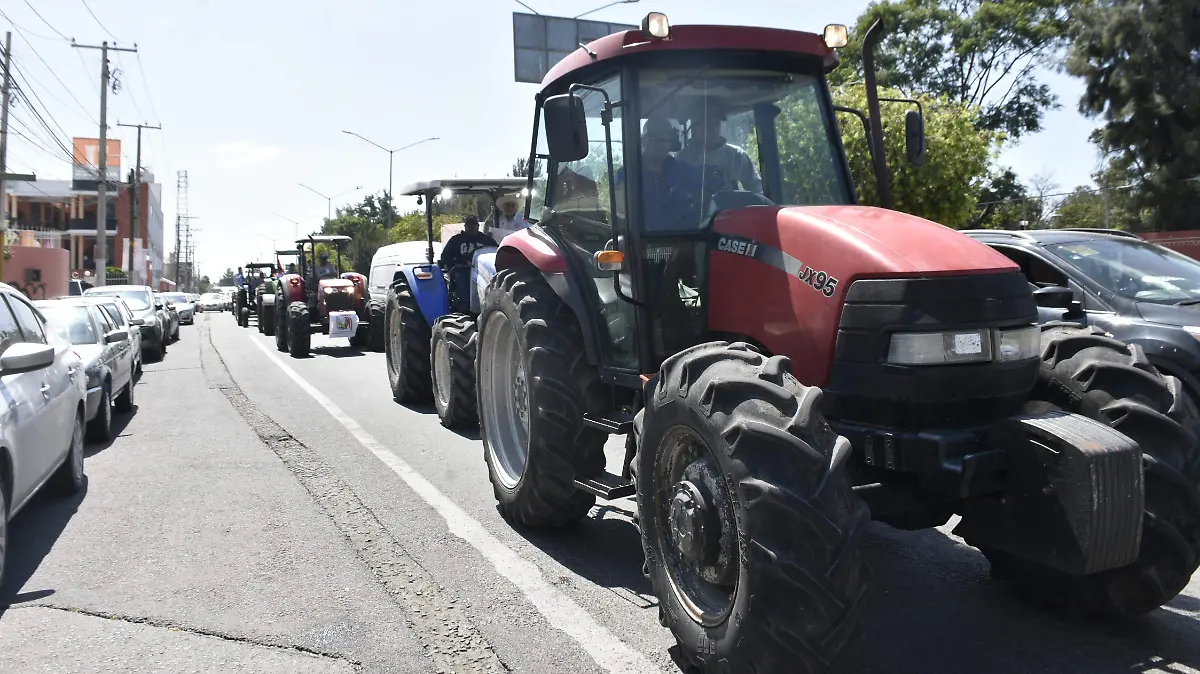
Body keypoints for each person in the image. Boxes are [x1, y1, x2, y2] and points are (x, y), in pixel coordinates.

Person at [615, 115, 705, 232]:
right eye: (655, 137)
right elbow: (621, 216)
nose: (661, 143)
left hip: (684, 238)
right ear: (643, 141)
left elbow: (703, 204)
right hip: (640, 239)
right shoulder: (627, 175)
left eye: (666, 138)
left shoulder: (686, 172)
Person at [677, 99, 763, 194]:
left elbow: (758, 190)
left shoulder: (736, 155)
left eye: (717, 123)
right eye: (708, 124)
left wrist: (735, 193)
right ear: (695, 127)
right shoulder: (683, 158)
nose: (714, 128)